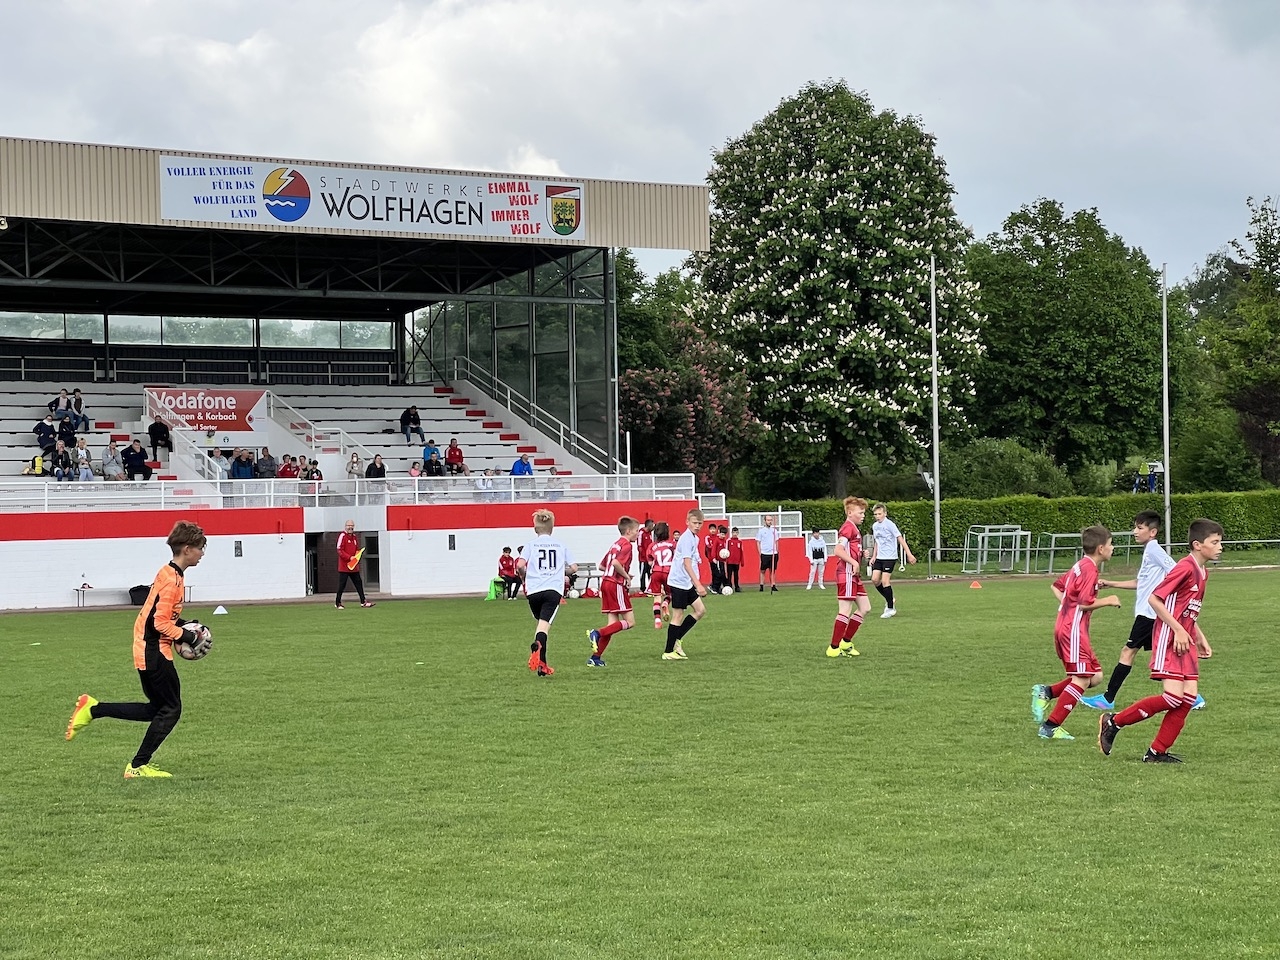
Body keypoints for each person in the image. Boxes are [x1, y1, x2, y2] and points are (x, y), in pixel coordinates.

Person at [65, 520, 210, 779]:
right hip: (153, 650)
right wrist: (189, 636)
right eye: (201, 548)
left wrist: (184, 624)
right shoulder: (172, 580)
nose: (202, 553)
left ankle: (94, 709)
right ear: (187, 549)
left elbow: (159, 614)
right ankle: (136, 766)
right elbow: (158, 623)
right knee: (171, 709)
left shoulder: (171, 573)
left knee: (159, 709)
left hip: (150, 647)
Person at [1098, 518, 1222, 763]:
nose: (1220, 547)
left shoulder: (1202, 572)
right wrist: (1178, 630)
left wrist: (1199, 637)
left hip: (1185, 639)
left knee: (1188, 699)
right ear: (1198, 545)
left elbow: (1188, 609)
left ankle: (1157, 752)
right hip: (1170, 638)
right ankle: (1113, 722)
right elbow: (1155, 599)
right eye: (1215, 542)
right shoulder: (1185, 567)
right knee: (1173, 697)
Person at [1082, 511, 1193, 711]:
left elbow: (1179, 572)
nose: (1135, 531)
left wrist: (1166, 596)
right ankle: (1192, 696)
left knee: (1128, 652)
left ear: (1152, 532)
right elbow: (1140, 582)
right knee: (1165, 657)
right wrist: (1111, 583)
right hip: (1151, 614)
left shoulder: (1154, 550)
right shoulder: (1149, 551)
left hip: (1149, 614)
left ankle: (1107, 699)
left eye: (1139, 528)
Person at [1030, 525, 1123, 740]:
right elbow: (1083, 604)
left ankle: (1047, 692)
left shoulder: (1080, 565)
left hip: (1069, 627)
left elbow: (1057, 587)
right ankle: (1051, 726)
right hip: (1072, 630)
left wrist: (1068, 605)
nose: (1112, 548)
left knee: (1095, 677)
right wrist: (1108, 600)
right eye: (1110, 544)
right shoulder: (1090, 569)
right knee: (1081, 679)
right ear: (1101, 548)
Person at [516, 508, 577, 677]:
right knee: (543, 628)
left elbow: (520, 565)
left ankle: (542, 666)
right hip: (552, 591)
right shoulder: (560, 545)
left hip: (533, 591)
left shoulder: (530, 545)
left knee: (540, 625)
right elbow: (574, 568)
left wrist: (523, 575)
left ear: (535, 528)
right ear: (552, 528)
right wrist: (561, 573)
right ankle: (540, 654)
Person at [586, 517, 640, 667]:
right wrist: (626, 576)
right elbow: (616, 563)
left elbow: (602, 566)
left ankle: (595, 658)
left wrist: (624, 573)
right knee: (630, 622)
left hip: (606, 583)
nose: (638, 534)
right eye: (636, 531)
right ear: (628, 531)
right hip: (615, 585)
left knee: (612, 625)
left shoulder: (615, 544)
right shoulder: (627, 545)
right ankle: (596, 633)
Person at [827, 497, 871, 658]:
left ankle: (845, 642)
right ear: (850, 513)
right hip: (846, 573)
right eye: (860, 513)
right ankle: (833, 648)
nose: (863, 516)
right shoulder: (847, 528)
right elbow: (838, 550)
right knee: (845, 610)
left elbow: (849, 549)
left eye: (864, 513)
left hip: (853, 575)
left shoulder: (854, 528)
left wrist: (861, 553)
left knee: (865, 607)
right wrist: (853, 562)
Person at [663, 507, 708, 660]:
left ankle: (677, 639)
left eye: (700, 523)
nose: (697, 526)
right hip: (679, 582)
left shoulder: (695, 538)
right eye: (694, 523)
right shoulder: (686, 538)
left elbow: (693, 562)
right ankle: (668, 651)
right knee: (678, 615)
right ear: (687, 522)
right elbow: (687, 563)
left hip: (687, 583)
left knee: (700, 610)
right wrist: (698, 584)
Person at [869, 503, 917, 618]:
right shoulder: (875, 526)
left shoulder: (890, 525)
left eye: (879, 514)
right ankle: (890, 599)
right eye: (875, 514)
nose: (877, 516)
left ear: (885, 513)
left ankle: (890, 608)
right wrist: (874, 556)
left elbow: (900, 539)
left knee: (885, 581)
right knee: (875, 579)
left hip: (890, 557)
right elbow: (877, 542)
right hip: (880, 557)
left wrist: (909, 554)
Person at [335, 520, 375, 609]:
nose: (350, 527)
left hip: (354, 566)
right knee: (342, 585)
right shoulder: (342, 536)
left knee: (358, 583)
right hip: (344, 567)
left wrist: (357, 556)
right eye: (348, 525)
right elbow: (339, 550)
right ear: (345, 526)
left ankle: (363, 602)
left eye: (352, 525)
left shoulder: (354, 537)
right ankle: (338, 603)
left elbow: (356, 549)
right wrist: (349, 557)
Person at [648, 521, 675, 628]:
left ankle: (657, 620)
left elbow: (650, 562)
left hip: (656, 572)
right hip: (669, 572)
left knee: (656, 596)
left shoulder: (652, 546)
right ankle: (666, 603)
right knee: (671, 594)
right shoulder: (672, 544)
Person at [757, 514, 780, 592]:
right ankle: (761, 585)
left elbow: (777, 541)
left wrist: (777, 551)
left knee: (772, 570)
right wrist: (760, 553)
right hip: (764, 553)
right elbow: (758, 542)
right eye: (768, 520)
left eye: (771, 520)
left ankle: (773, 585)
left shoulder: (774, 531)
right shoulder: (761, 531)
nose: (770, 521)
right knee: (762, 570)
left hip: (773, 553)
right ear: (765, 521)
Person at [702, 520, 724, 593]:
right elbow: (708, 546)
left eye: (714, 529)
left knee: (720, 573)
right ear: (709, 530)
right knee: (715, 573)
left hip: (719, 558)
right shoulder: (707, 537)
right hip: (712, 559)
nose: (713, 530)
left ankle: (716, 587)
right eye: (711, 529)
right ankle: (714, 587)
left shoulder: (718, 537)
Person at [636, 518, 655, 592]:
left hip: (649, 558)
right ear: (648, 525)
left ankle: (651, 588)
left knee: (650, 573)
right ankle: (642, 589)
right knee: (642, 574)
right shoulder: (641, 533)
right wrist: (644, 556)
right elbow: (639, 546)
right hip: (643, 559)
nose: (653, 527)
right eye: (652, 525)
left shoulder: (650, 533)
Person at [725, 526, 744, 592]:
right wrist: (726, 560)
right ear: (731, 533)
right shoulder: (728, 541)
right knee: (729, 575)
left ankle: (737, 587)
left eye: (736, 532)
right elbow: (726, 551)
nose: (735, 534)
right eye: (734, 532)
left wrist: (742, 561)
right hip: (730, 561)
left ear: (738, 533)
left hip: (737, 561)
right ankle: (729, 586)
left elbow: (741, 551)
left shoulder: (740, 541)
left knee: (736, 575)